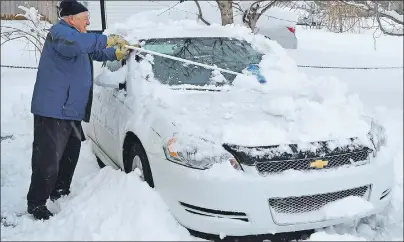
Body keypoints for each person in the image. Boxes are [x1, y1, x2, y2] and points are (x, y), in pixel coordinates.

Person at [27, 0, 130, 220]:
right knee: (48, 159)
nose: (89, 22)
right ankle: (36, 203)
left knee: (69, 156)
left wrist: (116, 53)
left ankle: (60, 192)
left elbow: (94, 52)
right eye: (85, 19)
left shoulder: (77, 38)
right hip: (53, 110)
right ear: (71, 19)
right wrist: (106, 38)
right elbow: (78, 45)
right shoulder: (60, 33)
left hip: (70, 110)